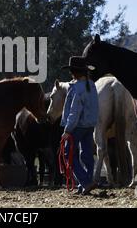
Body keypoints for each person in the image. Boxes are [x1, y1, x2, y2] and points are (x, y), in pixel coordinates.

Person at [60, 56, 99, 195]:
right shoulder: (92, 85)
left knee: (67, 153)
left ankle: (85, 182)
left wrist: (67, 130)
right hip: (89, 125)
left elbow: (74, 111)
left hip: (77, 126)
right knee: (87, 154)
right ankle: (86, 184)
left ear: (74, 72)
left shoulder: (76, 88)